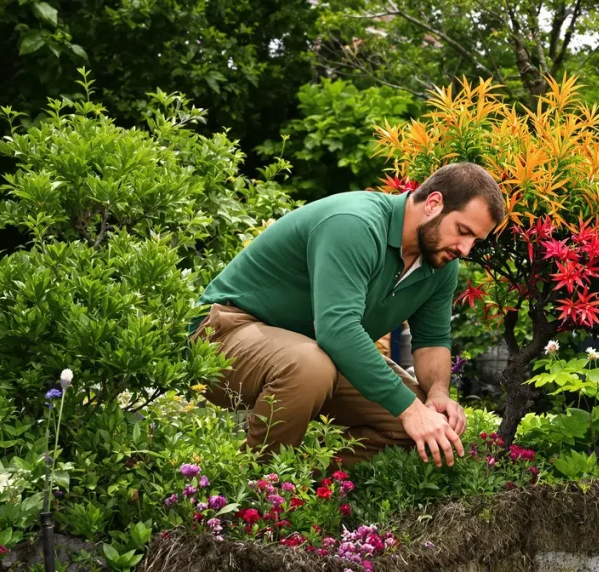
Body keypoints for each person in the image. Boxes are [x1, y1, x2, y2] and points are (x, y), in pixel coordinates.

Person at [188, 162, 504, 467]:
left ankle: (304, 486)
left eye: (474, 240)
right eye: (463, 231)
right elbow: (337, 330)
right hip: (225, 336)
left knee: (423, 430)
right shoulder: (356, 223)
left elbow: (432, 339)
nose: (465, 249)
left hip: (318, 354)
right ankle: (256, 486)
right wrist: (409, 410)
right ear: (434, 203)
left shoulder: (440, 263)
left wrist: (437, 395)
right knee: (315, 368)